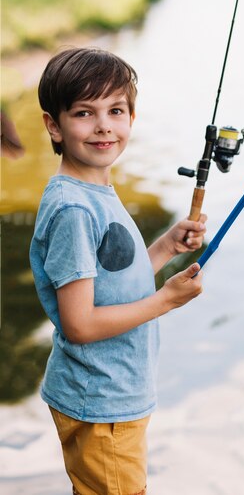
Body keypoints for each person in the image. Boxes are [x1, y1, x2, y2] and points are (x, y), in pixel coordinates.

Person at [29, 47, 206, 495]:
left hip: (111, 394)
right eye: (85, 113)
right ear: (55, 125)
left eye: (116, 110)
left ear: (131, 117)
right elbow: (81, 323)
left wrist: (165, 248)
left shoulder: (95, 188)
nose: (104, 124)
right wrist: (164, 300)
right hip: (101, 402)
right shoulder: (74, 209)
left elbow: (111, 282)